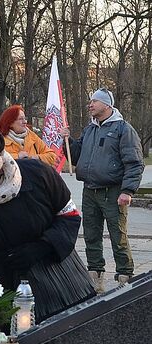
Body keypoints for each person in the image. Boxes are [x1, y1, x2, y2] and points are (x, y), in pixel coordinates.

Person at [0, 127, 94, 321]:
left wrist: (43, 246)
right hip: (4, 293)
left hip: (59, 281)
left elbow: (69, 215)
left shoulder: (38, 173)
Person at [61, 88, 144, 292]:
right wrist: (68, 141)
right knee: (91, 235)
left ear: (107, 105)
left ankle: (125, 277)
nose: (90, 104)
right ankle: (95, 276)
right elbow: (77, 156)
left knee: (118, 236)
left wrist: (127, 191)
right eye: (90, 101)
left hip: (113, 192)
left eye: (94, 101)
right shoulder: (90, 129)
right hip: (90, 191)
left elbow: (134, 162)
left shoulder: (123, 129)